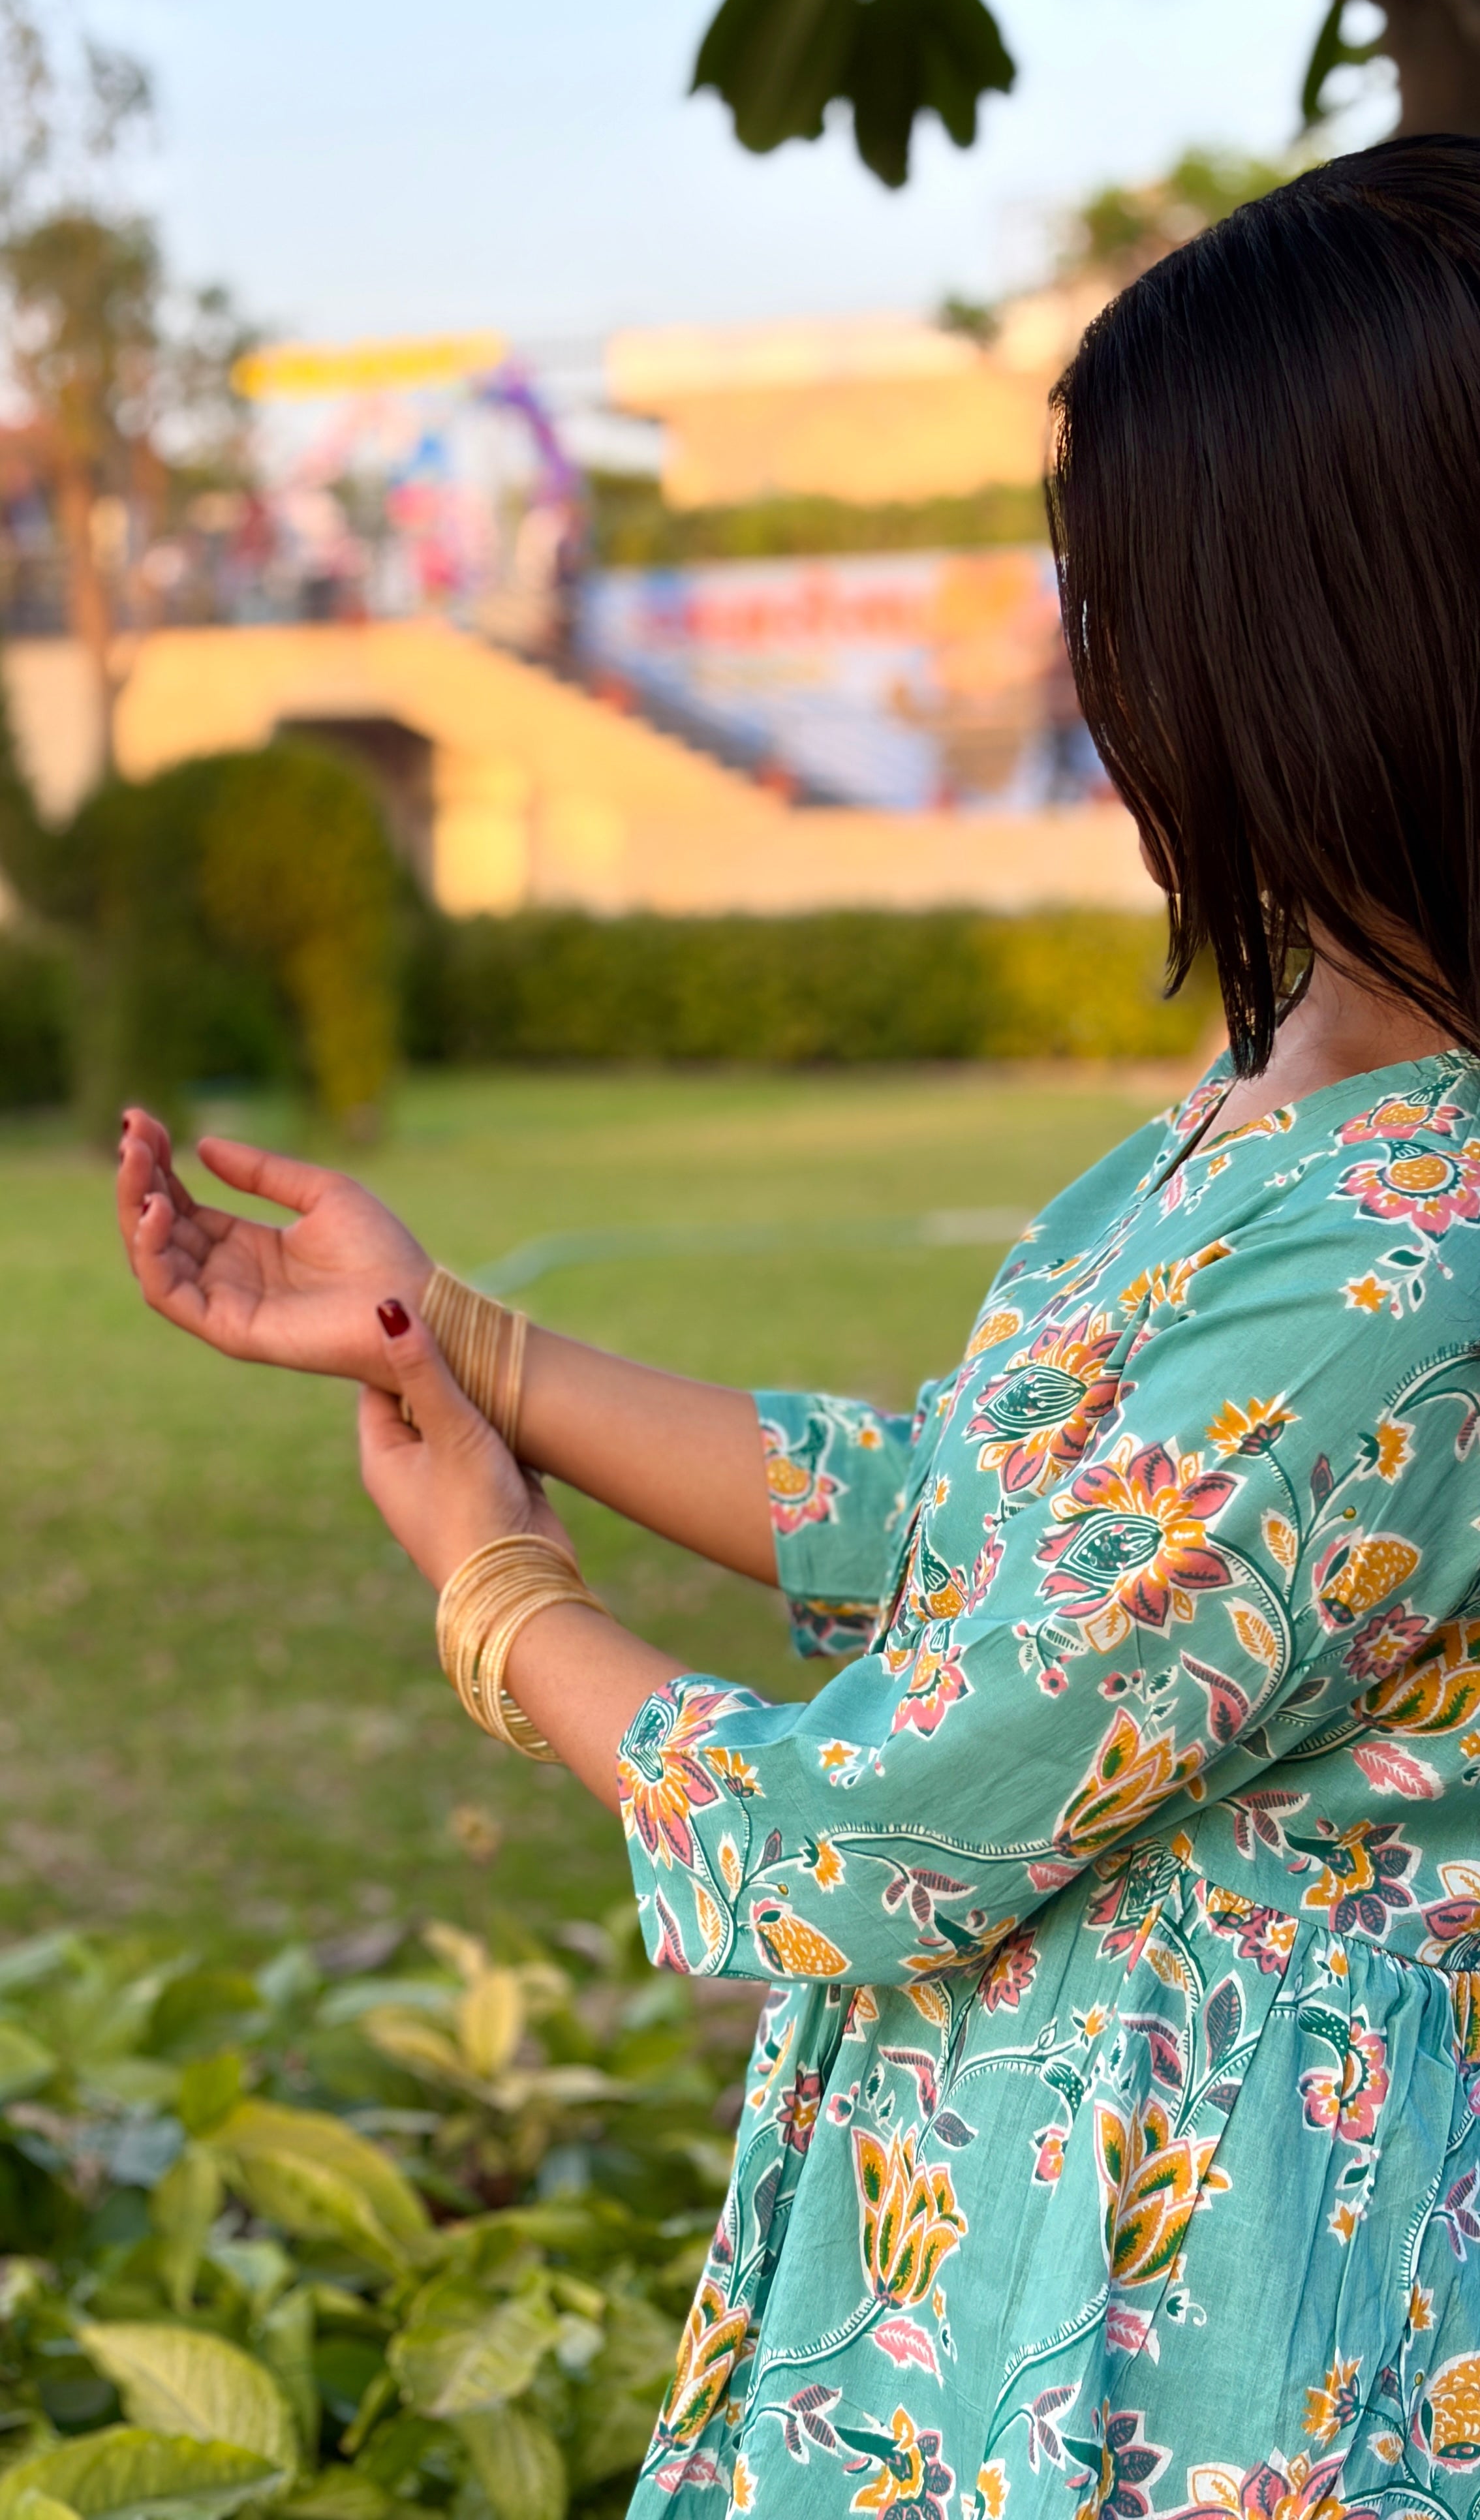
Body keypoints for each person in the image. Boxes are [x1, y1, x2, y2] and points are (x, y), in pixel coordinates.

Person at [117, 134, 1480, 2515]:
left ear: (1324, 622)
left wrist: (495, 1591)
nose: (1098, 664)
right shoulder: (1290, 1105)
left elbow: (875, 1831)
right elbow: (976, 1505)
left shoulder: (1424, 1244)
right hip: (1023, 2249)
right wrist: (457, 1340)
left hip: (1194, 2352)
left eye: (1128, 591)